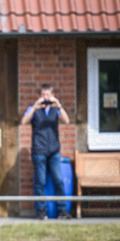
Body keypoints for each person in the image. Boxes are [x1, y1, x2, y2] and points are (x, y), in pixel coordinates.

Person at [21, 84, 71, 219]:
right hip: (39, 150)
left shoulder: (56, 109)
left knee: (59, 181)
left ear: (52, 95)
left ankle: (62, 211)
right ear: (39, 96)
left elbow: (67, 121)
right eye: (43, 95)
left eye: (48, 95)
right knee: (40, 181)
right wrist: (35, 106)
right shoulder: (33, 109)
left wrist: (58, 105)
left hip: (54, 151)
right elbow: (24, 121)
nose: (46, 97)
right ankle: (42, 212)